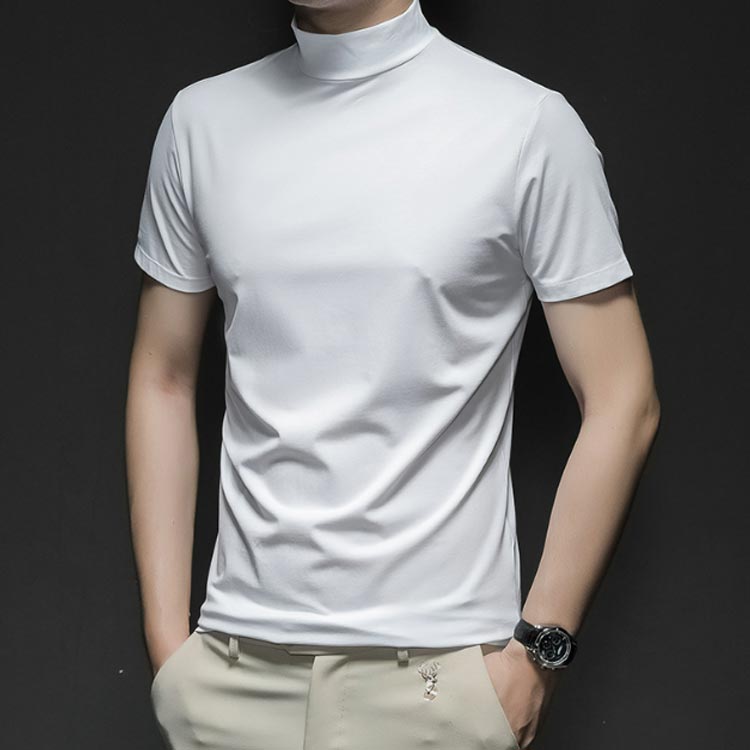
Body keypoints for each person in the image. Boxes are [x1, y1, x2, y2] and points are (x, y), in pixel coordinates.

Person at [125, 1, 660, 748]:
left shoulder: (525, 125)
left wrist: (537, 654)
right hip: (229, 674)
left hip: (438, 681)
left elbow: (623, 398)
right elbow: (163, 376)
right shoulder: (200, 122)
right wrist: (169, 653)